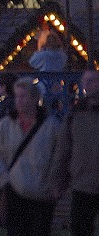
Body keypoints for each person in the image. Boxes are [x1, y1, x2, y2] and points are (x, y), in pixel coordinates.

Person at [0, 76, 59, 236]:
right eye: (17, 96)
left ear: (35, 99)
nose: (18, 101)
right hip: (15, 190)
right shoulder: (6, 125)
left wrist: (53, 182)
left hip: (41, 193)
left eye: (23, 96)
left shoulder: (50, 126)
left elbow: (58, 156)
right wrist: (4, 179)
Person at [51, 68, 99, 236]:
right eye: (86, 81)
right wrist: (60, 180)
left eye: (92, 80)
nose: (88, 85)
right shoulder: (75, 114)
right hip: (82, 182)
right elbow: (63, 149)